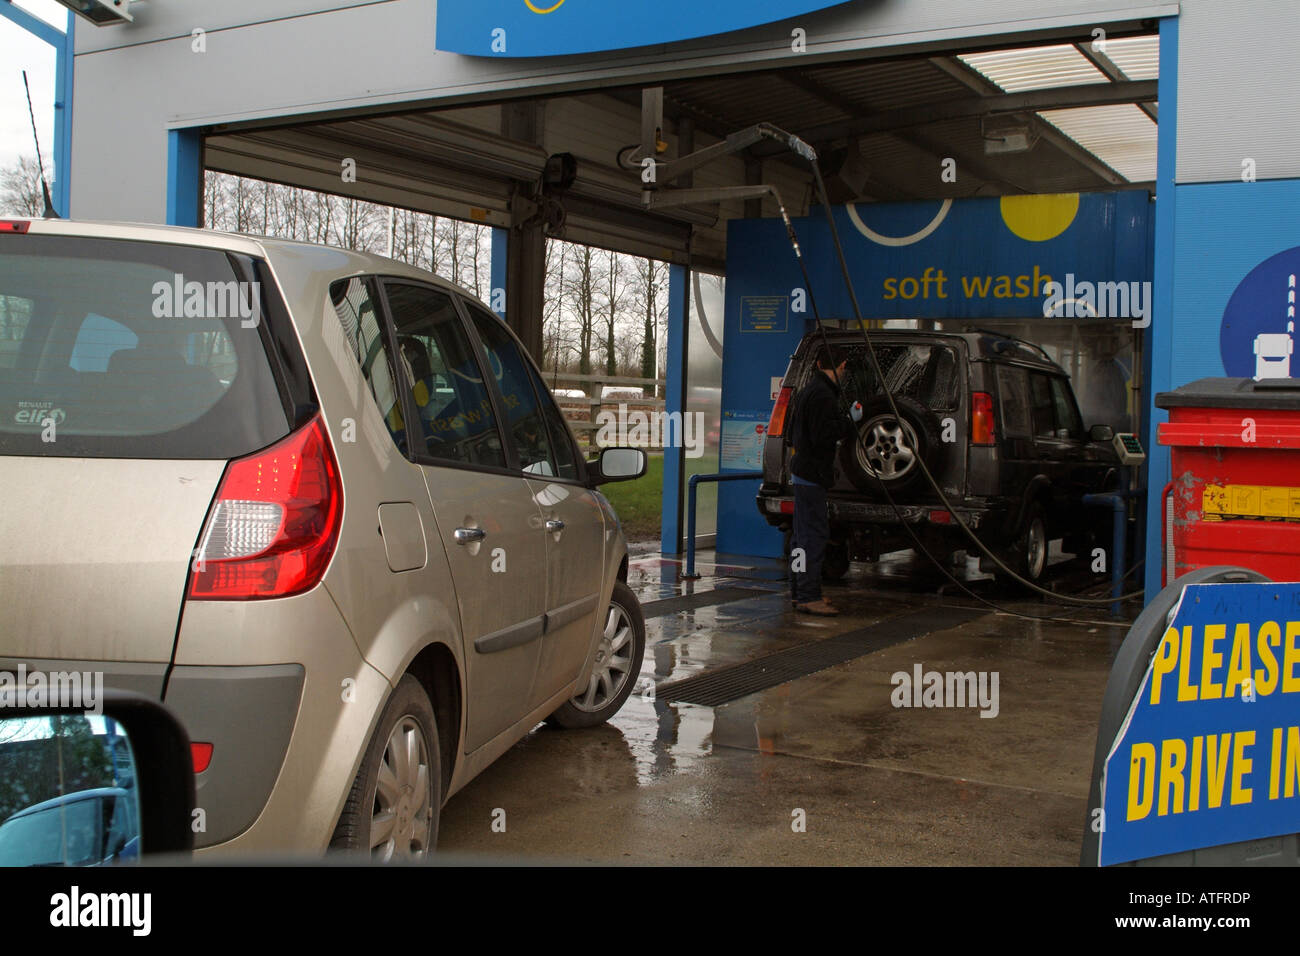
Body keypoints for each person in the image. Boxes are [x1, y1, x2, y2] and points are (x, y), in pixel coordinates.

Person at [787, 348, 862, 616]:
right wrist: (850, 422)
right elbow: (824, 437)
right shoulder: (823, 396)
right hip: (812, 475)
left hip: (802, 473)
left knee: (800, 537)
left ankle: (799, 592)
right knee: (813, 537)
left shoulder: (809, 390)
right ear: (841, 366)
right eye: (844, 370)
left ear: (818, 363)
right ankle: (809, 596)